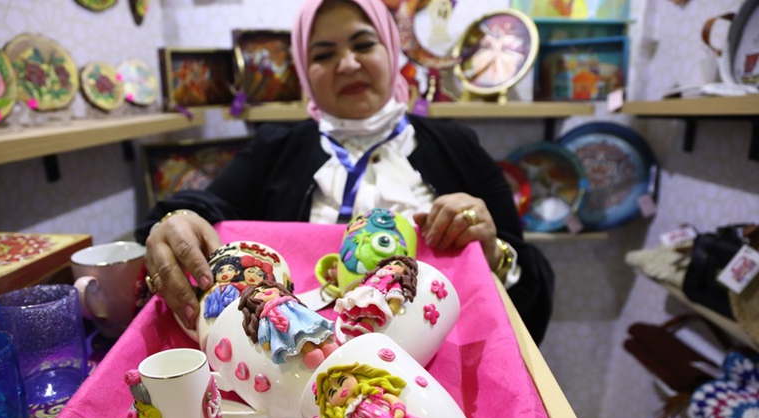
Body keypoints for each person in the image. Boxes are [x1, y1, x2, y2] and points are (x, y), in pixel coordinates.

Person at [136, 0, 554, 345]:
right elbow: (203, 205)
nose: (348, 64)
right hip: (300, 359)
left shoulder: (457, 144)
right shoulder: (275, 147)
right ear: (303, 70)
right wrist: (175, 222)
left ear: (391, 50)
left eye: (363, 44)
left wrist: (495, 252)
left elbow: (533, 279)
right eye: (323, 54)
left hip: (442, 356)